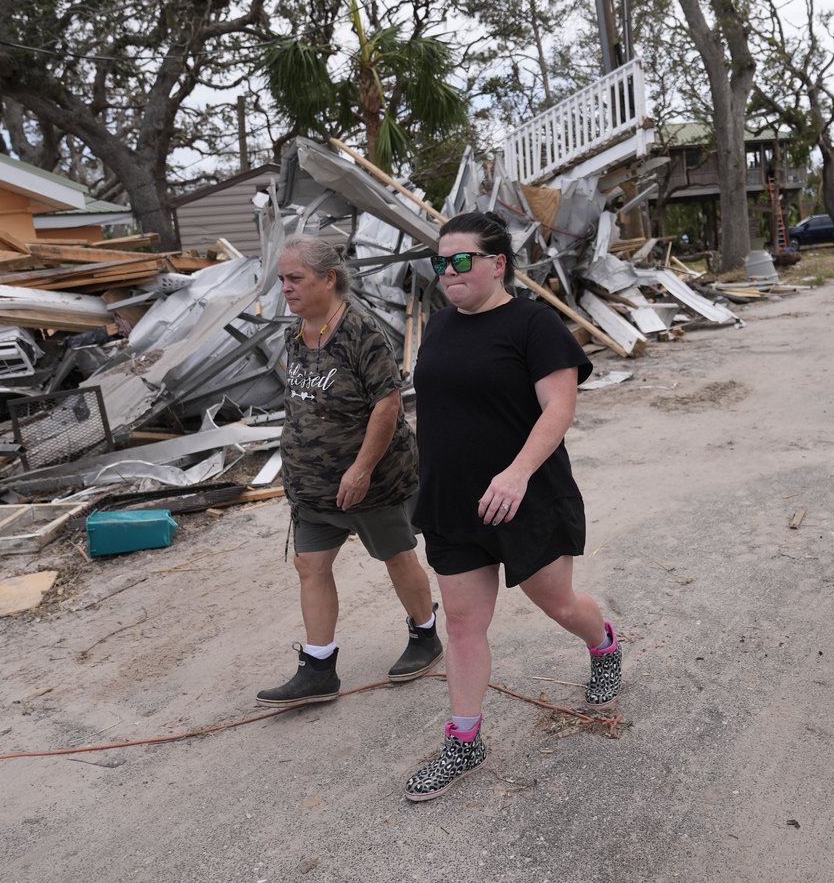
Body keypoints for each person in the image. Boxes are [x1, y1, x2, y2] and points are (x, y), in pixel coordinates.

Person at [403, 211, 621, 801]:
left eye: (461, 259)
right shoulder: (440, 326)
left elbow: (558, 408)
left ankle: (602, 643)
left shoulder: (534, 324)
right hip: (453, 504)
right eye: (440, 261)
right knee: (463, 624)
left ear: (498, 264)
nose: (448, 270)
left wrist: (518, 474)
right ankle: (464, 740)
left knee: (559, 606)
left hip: (525, 498)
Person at [257, 235, 443, 707]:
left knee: (397, 556)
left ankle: (425, 635)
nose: (286, 288)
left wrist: (360, 469)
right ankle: (319, 667)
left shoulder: (361, 332)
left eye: (295, 279)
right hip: (312, 488)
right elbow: (301, 404)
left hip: (371, 483)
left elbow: (387, 404)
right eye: (282, 279)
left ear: (328, 279)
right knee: (310, 566)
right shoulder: (295, 333)